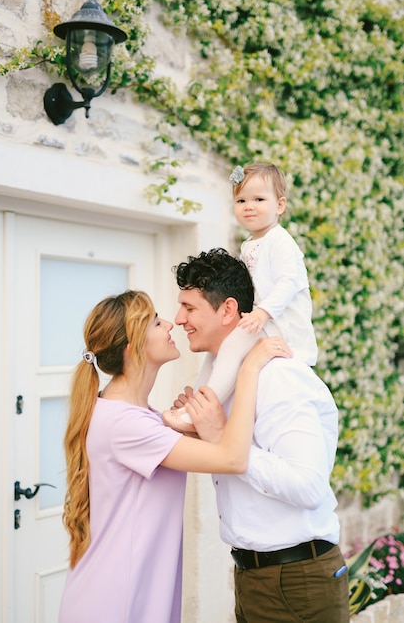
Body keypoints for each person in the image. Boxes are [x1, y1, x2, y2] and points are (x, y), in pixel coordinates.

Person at [58, 289, 290, 623]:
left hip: (126, 591)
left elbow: (211, 449)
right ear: (132, 347)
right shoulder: (126, 424)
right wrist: (248, 367)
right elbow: (233, 459)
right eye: (155, 321)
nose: (170, 323)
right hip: (117, 601)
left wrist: (186, 426)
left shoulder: (135, 416)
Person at [166, 248, 349, 623]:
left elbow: (308, 486)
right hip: (254, 576)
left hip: (297, 580)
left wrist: (221, 437)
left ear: (228, 310)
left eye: (189, 306)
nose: (178, 318)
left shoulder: (277, 378)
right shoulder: (221, 380)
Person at [179, 163, 317, 425]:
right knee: (217, 350)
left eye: (258, 199)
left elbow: (288, 282)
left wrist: (263, 313)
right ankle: (196, 402)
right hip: (258, 320)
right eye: (241, 200)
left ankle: (202, 410)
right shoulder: (249, 244)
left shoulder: (280, 241)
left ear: (279, 205)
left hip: (279, 322)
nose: (248, 206)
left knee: (229, 346)